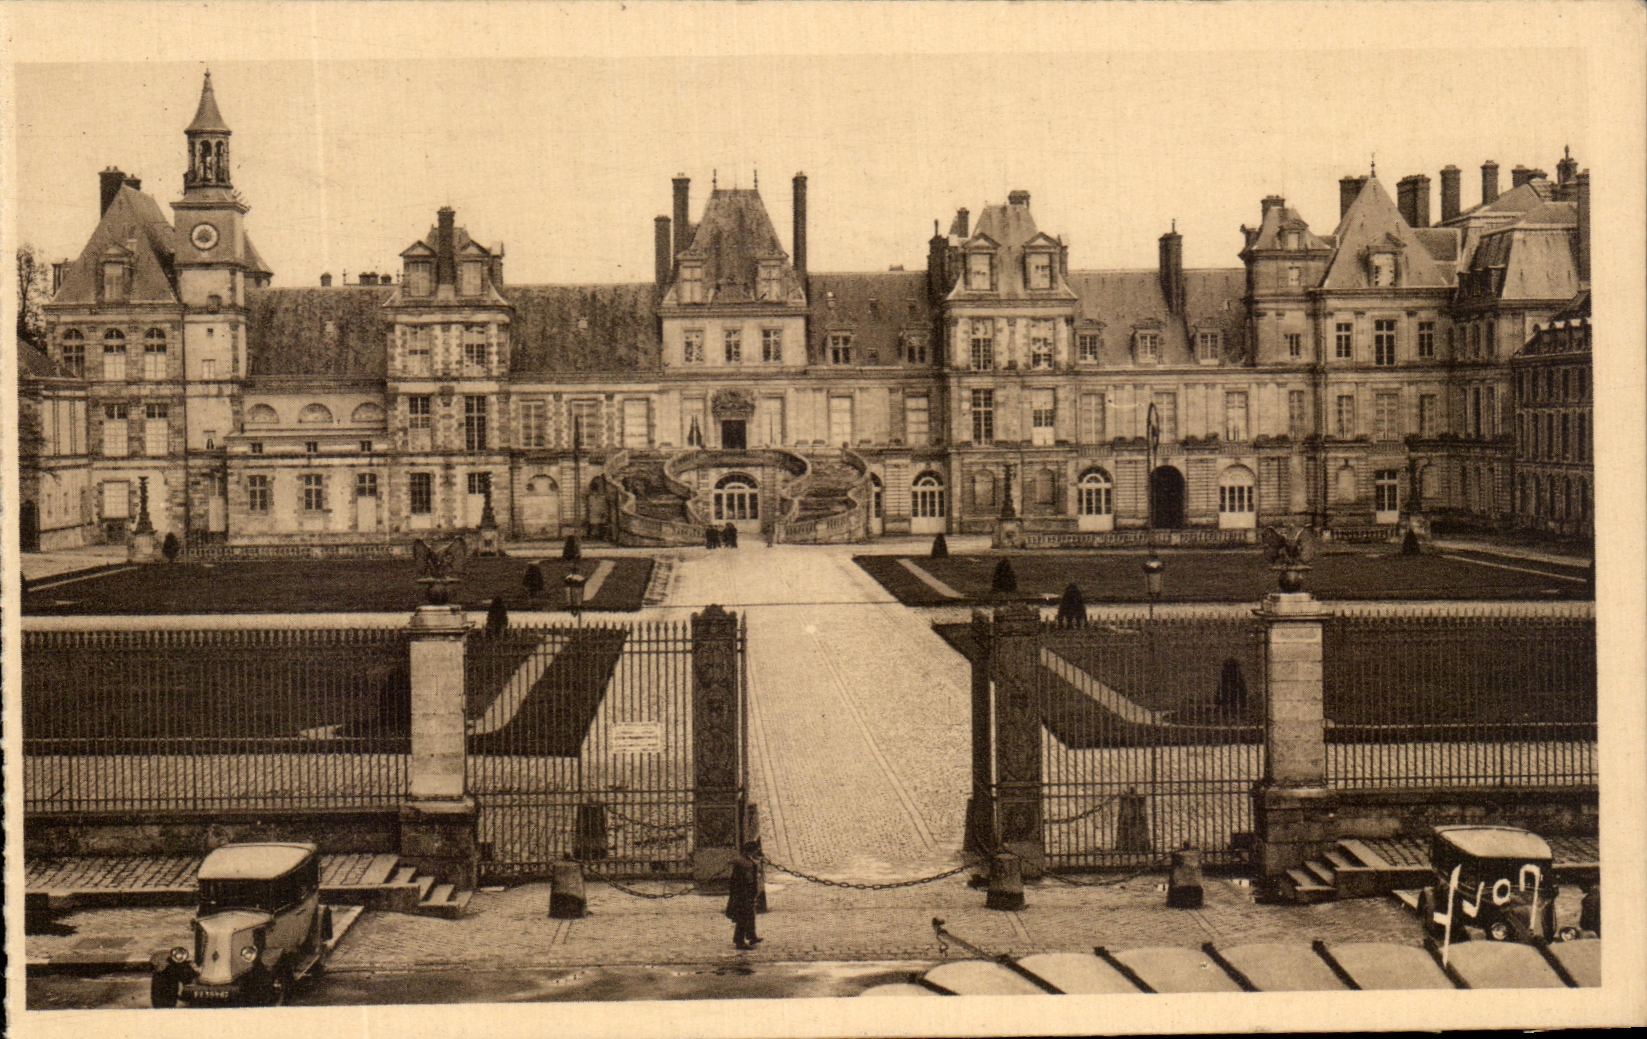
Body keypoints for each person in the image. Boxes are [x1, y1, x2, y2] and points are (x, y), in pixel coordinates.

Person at [726, 842, 762, 950]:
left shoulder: (746, 860)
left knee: (750, 915)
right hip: (743, 894)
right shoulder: (743, 862)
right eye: (756, 850)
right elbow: (738, 880)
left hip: (746, 893)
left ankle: (751, 936)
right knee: (743, 917)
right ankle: (739, 941)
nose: (757, 851)